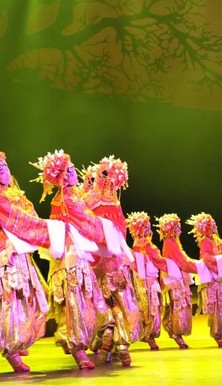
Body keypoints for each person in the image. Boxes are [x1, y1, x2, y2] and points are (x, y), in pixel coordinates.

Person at [0, 148, 50, 373]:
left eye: (6, 167)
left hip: (21, 252)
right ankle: (10, 349)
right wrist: (44, 229)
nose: (5, 172)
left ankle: (19, 339)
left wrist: (39, 226)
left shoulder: (17, 194)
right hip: (5, 254)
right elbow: (19, 219)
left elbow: (31, 214)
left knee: (28, 296)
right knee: (10, 300)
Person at [31, 149, 106, 370]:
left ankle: (80, 342)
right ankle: (78, 349)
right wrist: (106, 232)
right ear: (61, 177)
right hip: (71, 259)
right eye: (69, 171)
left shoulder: (71, 197)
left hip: (76, 255)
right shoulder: (65, 200)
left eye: (73, 169)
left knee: (84, 302)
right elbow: (89, 222)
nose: (74, 173)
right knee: (76, 305)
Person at [84, 156, 140, 366]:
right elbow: (120, 232)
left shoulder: (87, 200)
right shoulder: (112, 202)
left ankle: (107, 336)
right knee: (122, 304)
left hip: (97, 263)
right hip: (114, 262)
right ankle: (120, 344)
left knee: (105, 304)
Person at [186, 212, 222, 348]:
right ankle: (218, 334)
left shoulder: (216, 239)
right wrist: (218, 266)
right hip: (214, 279)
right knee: (218, 307)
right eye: (208, 225)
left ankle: (221, 330)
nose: (211, 227)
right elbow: (206, 258)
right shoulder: (205, 241)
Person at [126, 211, 167, 351]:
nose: (148, 229)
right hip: (146, 281)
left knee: (151, 307)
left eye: (148, 226)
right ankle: (149, 335)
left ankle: (148, 335)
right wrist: (172, 265)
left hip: (147, 280)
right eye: (145, 227)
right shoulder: (143, 245)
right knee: (150, 308)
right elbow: (156, 260)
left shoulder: (141, 244)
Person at [156, 213, 196, 349]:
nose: (179, 230)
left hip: (178, 278)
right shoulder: (170, 243)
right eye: (177, 227)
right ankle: (176, 334)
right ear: (171, 229)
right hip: (175, 279)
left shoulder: (173, 242)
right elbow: (181, 261)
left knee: (179, 305)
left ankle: (177, 333)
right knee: (177, 306)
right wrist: (198, 267)